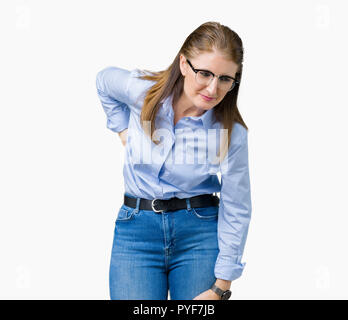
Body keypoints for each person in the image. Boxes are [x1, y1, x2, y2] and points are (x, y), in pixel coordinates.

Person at [95, 21, 252, 300]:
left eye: (225, 79)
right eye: (204, 73)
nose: (213, 88)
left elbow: (236, 207)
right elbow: (104, 80)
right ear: (183, 64)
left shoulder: (230, 132)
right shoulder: (142, 93)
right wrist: (122, 130)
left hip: (199, 235)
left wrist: (221, 286)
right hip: (136, 233)